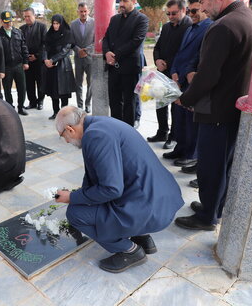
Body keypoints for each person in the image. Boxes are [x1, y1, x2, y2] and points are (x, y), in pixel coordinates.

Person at [54, 106, 184, 273]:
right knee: (91, 203)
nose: (66, 141)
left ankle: (130, 251)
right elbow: (101, 175)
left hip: (149, 207)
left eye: (62, 136)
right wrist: (81, 194)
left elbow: (111, 189)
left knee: (75, 214)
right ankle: (142, 237)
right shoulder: (102, 124)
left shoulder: (95, 136)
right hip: (159, 198)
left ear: (69, 129)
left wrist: (72, 197)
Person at [174, 0, 252, 231]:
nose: (201, 7)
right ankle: (214, 207)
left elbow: (208, 76)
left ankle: (207, 217)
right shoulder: (249, 18)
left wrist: (186, 98)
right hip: (233, 108)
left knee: (211, 166)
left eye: (203, 1)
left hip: (217, 110)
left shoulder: (223, 26)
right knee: (223, 165)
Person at [170, 0, 213, 180]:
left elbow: (199, 57)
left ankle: (190, 155)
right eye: (190, 11)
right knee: (179, 118)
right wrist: (174, 71)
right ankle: (180, 149)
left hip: (193, 81)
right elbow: (181, 54)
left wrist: (188, 73)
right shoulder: (190, 28)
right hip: (179, 78)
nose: (192, 14)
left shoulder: (209, 28)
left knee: (191, 122)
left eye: (195, 10)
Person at [148, 0, 192, 148]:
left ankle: (174, 136)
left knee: (176, 108)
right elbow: (157, 47)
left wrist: (174, 69)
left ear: (183, 10)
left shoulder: (189, 27)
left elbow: (186, 54)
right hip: (162, 73)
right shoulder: (166, 27)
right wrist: (158, 60)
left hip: (178, 75)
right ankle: (162, 131)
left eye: (174, 13)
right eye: (169, 14)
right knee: (160, 104)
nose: (171, 16)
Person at [102, 0, 148, 127]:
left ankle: (128, 132)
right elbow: (106, 38)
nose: (121, 4)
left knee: (129, 103)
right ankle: (116, 129)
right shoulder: (114, 19)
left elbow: (136, 41)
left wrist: (116, 55)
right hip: (113, 68)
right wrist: (107, 53)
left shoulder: (142, 19)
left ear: (133, 1)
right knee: (114, 102)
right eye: (120, 0)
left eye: (124, 1)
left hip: (130, 68)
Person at [42, 14, 76, 120]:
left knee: (63, 92)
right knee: (53, 91)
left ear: (61, 23)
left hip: (63, 66)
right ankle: (55, 112)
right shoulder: (49, 34)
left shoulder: (67, 34)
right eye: (54, 23)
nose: (55, 26)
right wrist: (46, 59)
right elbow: (44, 47)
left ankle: (64, 114)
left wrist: (53, 60)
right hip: (51, 67)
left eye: (57, 23)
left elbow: (65, 51)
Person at [0, 11, 29, 116]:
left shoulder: (18, 32)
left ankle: (21, 107)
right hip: (6, 67)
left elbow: (24, 48)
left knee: (22, 87)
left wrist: (25, 62)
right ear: (1, 22)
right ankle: (10, 107)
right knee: (7, 89)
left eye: (10, 21)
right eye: (6, 22)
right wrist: (0, 69)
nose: (9, 24)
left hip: (18, 65)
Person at [20, 7, 47, 110]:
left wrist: (36, 55)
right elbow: (21, 44)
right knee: (29, 83)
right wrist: (26, 56)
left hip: (39, 60)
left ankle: (40, 101)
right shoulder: (22, 29)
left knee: (40, 81)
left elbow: (44, 44)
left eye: (29, 16)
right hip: (27, 60)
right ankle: (32, 102)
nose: (27, 18)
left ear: (34, 15)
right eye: (25, 17)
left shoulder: (42, 27)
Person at [70, 2, 95, 113]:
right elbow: (71, 41)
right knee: (78, 83)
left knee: (90, 83)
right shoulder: (73, 24)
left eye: (85, 11)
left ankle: (88, 104)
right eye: (81, 11)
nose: (83, 13)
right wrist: (78, 50)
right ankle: (80, 106)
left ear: (88, 11)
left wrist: (86, 50)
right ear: (78, 11)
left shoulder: (95, 23)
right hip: (78, 58)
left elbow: (96, 41)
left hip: (90, 58)